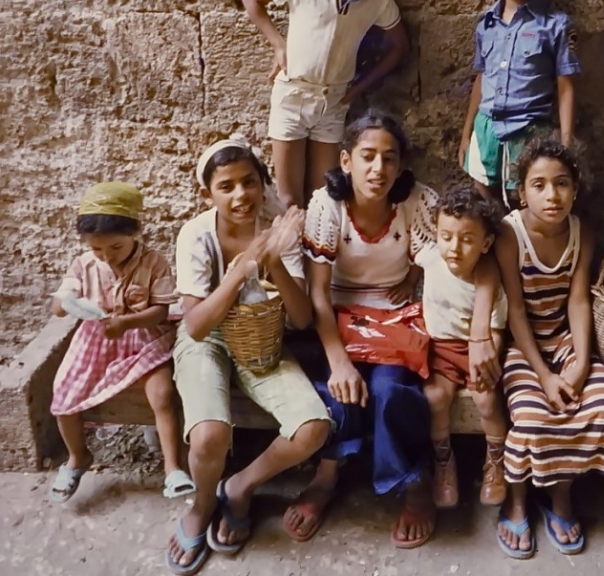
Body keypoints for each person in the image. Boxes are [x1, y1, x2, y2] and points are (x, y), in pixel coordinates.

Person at [166, 136, 332, 576]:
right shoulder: (197, 234)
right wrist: (240, 270)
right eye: (226, 186)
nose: (240, 195)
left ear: (262, 183)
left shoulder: (277, 227)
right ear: (208, 194)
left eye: (249, 182)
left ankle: (238, 487)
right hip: (207, 341)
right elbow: (197, 325)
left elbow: (300, 319)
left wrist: (274, 259)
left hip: (263, 339)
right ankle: (202, 506)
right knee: (207, 435)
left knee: (312, 428)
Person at [302, 111, 441, 549]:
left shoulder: (416, 202)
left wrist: (412, 279)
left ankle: (413, 480)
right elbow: (319, 294)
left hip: (395, 314)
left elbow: (438, 262)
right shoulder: (326, 206)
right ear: (346, 161)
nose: (378, 169)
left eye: (389, 159)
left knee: (390, 391)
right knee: (337, 389)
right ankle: (327, 475)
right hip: (339, 313)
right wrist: (340, 362)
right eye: (367, 157)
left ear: (400, 166)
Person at [243, 0, 410, 209]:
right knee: (288, 198)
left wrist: (359, 88)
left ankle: (323, 262)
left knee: (325, 196)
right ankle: (291, 262)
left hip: (334, 102)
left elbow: (399, 46)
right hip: (292, 96)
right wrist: (278, 45)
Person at [494, 140, 604, 558]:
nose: (552, 195)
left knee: (601, 405)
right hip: (522, 345)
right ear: (522, 193)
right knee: (533, 416)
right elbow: (515, 307)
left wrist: (581, 364)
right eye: (539, 185)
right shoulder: (508, 233)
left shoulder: (582, 231)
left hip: (567, 340)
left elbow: (578, 299)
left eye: (562, 184)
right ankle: (516, 500)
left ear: (575, 189)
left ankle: (561, 497)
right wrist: (546, 376)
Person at [49, 182, 192, 504]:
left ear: (135, 232)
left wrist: (127, 322)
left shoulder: (154, 263)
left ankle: (173, 470)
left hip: (143, 336)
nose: (106, 256)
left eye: (115, 247)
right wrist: (65, 301)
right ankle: (77, 458)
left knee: (163, 393)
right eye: (97, 249)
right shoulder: (83, 265)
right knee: (63, 394)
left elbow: (160, 311)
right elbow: (58, 307)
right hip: (96, 339)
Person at [458, 0, 580, 204]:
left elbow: (566, 85)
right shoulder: (486, 24)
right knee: (484, 200)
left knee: (525, 202)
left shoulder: (555, 25)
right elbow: (481, 80)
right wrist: (467, 133)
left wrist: (565, 140)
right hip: (486, 130)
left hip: (529, 132)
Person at [417, 185, 509, 510]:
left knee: (486, 400)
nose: (453, 248)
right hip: (438, 350)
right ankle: (444, 462)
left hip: (476, 351)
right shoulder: (430, 258)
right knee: (435, 398)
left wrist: (485, 361)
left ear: (486, 244)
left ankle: (496, 462)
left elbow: (495, 330)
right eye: (446, 236)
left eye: (467, 240)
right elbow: (408, 261)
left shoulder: (491, 287)